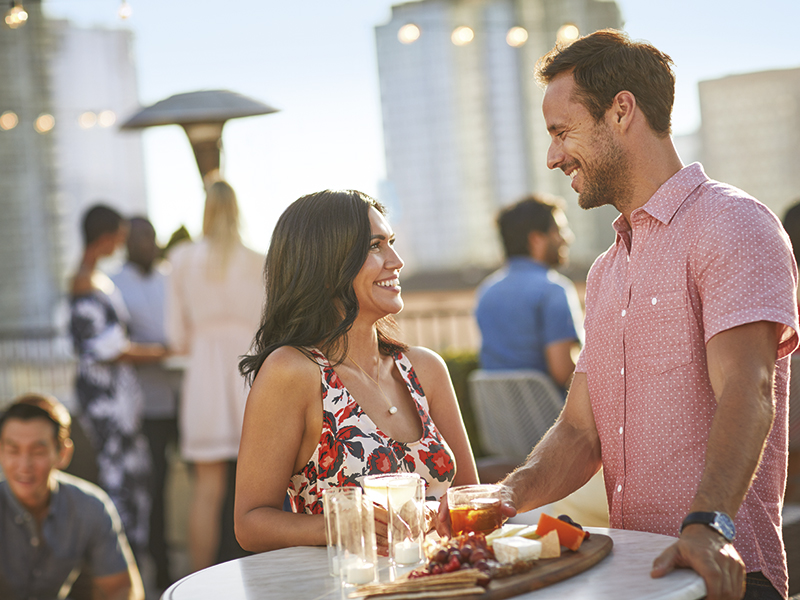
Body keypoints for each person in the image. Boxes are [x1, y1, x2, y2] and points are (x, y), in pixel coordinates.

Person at [442, 30, 798, 600]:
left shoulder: (733, 224)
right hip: (633, 576)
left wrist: (709, 526)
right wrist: (505, 498)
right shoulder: (608, 270)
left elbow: (748, 388)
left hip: (723, 573)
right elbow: (582, 429)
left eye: (561, 132)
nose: (554, 156)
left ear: (622, 110)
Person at [234, 190, 480, 553]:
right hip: (347, 586)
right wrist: (343, 524)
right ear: (327, 264)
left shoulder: (425, 369)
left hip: (446, 579)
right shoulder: (293, 372)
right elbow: (251, 522)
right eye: (375, 246)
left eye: (391, 243)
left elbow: (467, 498)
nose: (396, 261)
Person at [165, 179, 264, 571]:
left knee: (207, 490)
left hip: (204, 377)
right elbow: (271, 328)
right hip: (249, 375)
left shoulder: (182, 258)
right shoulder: (260, 259)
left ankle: (197, 585)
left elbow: (175, 336)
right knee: (262, 491)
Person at [70, 204, 166, 560]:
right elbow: (107, 349)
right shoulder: (84, 280)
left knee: (132, 478)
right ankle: (118, 564)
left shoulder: (94, 277)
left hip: (117, 400)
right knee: (117, 480)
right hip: (105, 401)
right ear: (108, 237)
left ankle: (130, 562)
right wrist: (163, 352)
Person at [0, 393, 144, 600]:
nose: (24, 465)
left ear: (62, 453)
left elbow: (121, 589)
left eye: (38, 451)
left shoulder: (90, 507)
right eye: (13, 450)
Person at [112, 217, 181, 590]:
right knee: (151, 492)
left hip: (182, 399)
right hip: (145, 408)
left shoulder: (170, 277)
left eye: (151, 236)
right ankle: (161, 573)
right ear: (126, 242)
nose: (146, 243)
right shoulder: (115, 285)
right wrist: (163, 351)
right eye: (139, 237)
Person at [475, 194, 582, 389]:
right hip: (555, 416)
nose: (567, 238)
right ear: (536, 239)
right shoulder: (554, 290)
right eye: (559, 230)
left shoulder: (486, 291)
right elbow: (564, 373)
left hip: (502, 418)